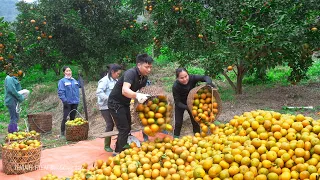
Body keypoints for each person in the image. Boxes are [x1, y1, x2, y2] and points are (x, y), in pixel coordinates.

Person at [108, 53, 153, 154]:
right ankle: (118, 153)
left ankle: (120, 148)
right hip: (115, 103)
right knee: (124, 128)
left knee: (127, 127)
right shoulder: (131, 73)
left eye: (150, 67)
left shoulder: (144, 78)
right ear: (138, 65)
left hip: (125, 103)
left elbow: (142, 92)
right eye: (146, 67)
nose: (149, 70)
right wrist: (137, 95)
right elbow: (125, 90)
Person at [172, 67, 216, 138]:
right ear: (177, 78)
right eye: (181, 78)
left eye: (186, 76)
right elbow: (177, 102)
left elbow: (205, 77)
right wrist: (187, 107)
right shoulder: (175, 86)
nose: (185, 79)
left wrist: (209, 83)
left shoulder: (192, 78)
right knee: (178, 122)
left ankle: (197, 137)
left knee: (195, 121)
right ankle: (175, 139)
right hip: (181, 104)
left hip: (192, 102)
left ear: (188, 74)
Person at [96, 64, 122, 152]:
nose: (118, 75)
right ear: (112, 72)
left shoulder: (116, 80)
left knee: (120, 123)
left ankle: (120, 143)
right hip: (105, 106)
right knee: (110, 124)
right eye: (117, 73)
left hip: (113, 106)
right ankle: (106, 145)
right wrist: (109, 99)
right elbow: (99, 92)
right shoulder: (104, 81)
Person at [58, 66, 81, 136]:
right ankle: (62, 133)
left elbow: (80, 86)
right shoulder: (62, 81)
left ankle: (71, 133)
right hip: (67, 103)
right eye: (67, 71)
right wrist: (64, 101)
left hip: (75, 102)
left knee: (73, 118)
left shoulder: (74, 80)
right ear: (64, 72)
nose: (69, 72)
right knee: (65, 118)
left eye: (70, 71)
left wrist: (80, 78)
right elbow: (61, 92)